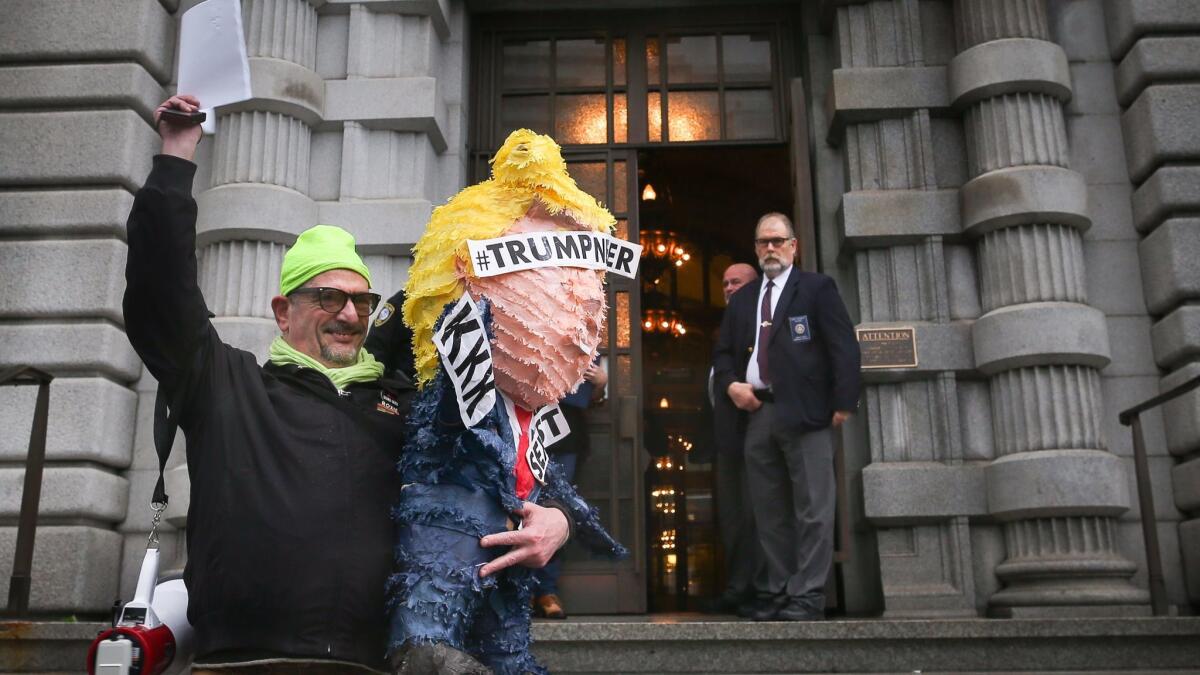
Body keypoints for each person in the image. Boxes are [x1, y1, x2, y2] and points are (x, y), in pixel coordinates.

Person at [127, 95, 571, 673]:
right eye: (327, 297)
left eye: (361, 301)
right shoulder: (225, 382)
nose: (348, 314)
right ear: (283, 312)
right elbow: (160, 292)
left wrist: (556, 517)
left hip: (372, 663)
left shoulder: (405, 404)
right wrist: (176, 154)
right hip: (242, 660)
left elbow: (500, 454)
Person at [712, 212, 861, 622]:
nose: (771, 248)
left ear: (794, 246)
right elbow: (723, 354)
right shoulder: (744, 299)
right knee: (769, 512)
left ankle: (808, 595)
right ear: (756, 248)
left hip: (808, 415)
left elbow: (843, 347)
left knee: (813, 508)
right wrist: (730, 385)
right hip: (759, 416)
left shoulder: (817, 288)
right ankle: (779, 590)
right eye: (763, 242)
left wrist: (843, 403)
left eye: (778, 241)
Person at [532, 356, 607, 619]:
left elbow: (594, 396)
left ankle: (546, 589)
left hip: (566, 432)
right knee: (517, 507)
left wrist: (600, 383)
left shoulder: (584, 332)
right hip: (524, 421)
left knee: (558, 512)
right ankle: (516, 592)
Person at [709, 262, 761, 615]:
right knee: (731, 518)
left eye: (736, 282)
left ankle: (756, 590)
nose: (729, 288)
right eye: (725, 283)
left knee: (754, 517)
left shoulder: (763, 323)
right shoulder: (723, 330)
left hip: (756, 435)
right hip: (726, 442)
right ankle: (738, 588)